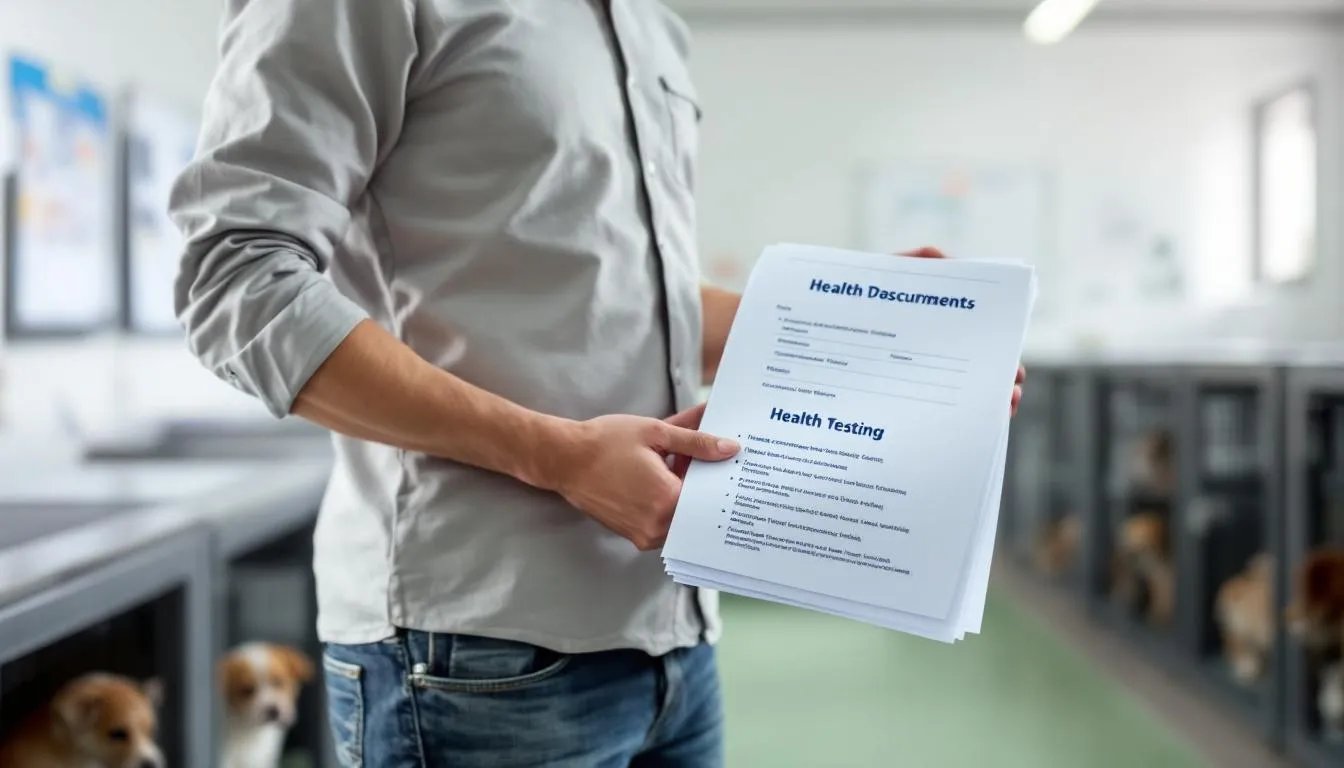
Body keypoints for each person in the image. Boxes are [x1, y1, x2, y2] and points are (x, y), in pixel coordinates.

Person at [170, 1, 1025, 765]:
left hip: (674, 635)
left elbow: (621, 294)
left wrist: (859, 323)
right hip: (473, 654)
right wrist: (556, 455)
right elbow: (237, 280)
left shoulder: (649, 21)